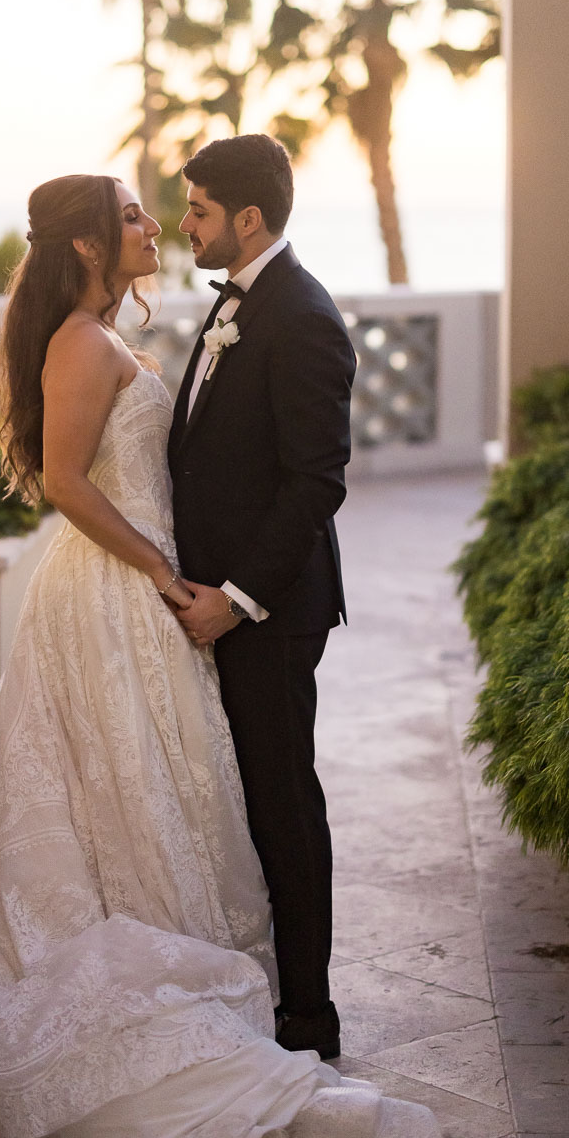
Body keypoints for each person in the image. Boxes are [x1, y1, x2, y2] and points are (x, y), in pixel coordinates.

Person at [0, 170, 440, 1138]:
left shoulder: (182, 323)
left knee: (171, 784)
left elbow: (286, 471)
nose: (157, 222)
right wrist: (161, 572)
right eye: (133, 215)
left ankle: (283, 997)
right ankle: (183, 985)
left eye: (178, 210)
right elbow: (68, 482)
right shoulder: (79, 340)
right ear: (84, 245)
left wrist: (205, 584)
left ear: (245, 216)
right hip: (116, 594)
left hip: (180, 598)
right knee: (117, 782)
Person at [170, 134, 350, 1062]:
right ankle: (262, 984)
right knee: (247, 801)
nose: (184, 224)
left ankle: (308, 1017)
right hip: (220, 605)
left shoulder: (302, 314)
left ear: (247, 219)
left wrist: (234, 600)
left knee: (284, 802)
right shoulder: (241, 303)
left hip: (271, 616)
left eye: (197, 209)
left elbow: (317, 482)